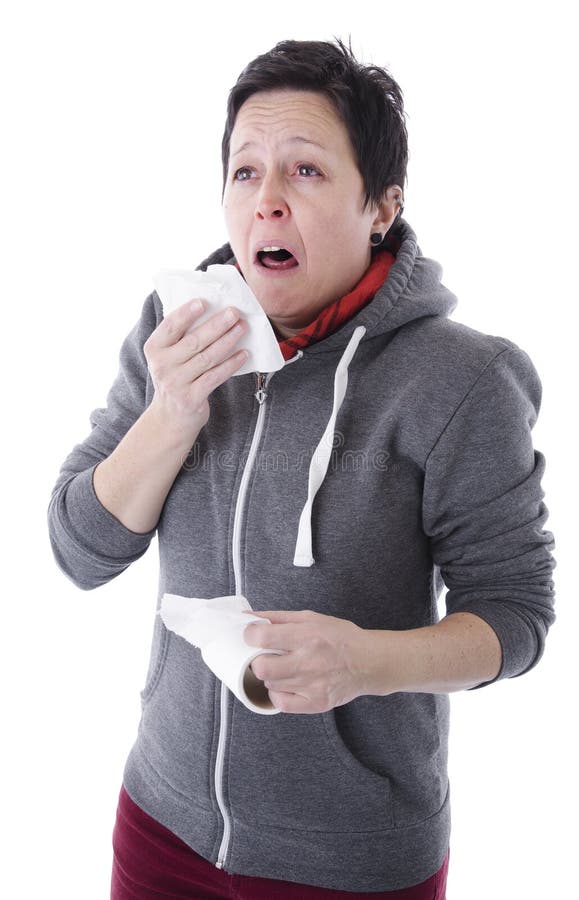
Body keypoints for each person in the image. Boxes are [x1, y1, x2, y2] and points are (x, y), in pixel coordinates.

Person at [47, 37, 556, 899]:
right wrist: (172, 410)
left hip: (351, 860)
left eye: (307, 172)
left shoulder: (463, 381)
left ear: (381, 205)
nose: (266, 203)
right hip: (160, 819)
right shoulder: (176, 331)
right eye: (244, 173)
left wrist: (365, 663)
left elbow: (515, 616)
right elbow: (80, 551)